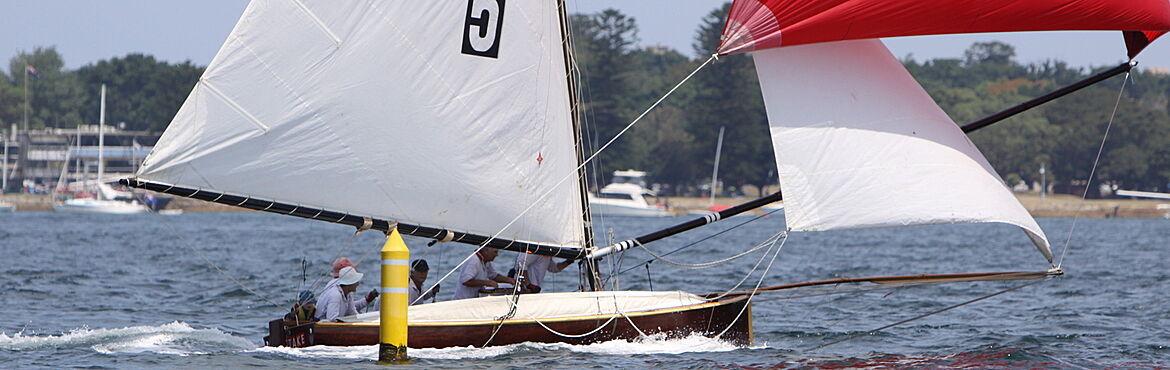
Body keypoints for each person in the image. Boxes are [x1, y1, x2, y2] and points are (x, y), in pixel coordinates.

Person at [453, 248, 517, 300]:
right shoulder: (474, 261)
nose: (497, 255)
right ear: (486, 251)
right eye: (495, 252)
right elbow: (466, 281)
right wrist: (487, 283)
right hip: (463, 301)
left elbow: (494, 276)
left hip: (473, 300)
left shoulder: (486, 261)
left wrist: (509, 280)